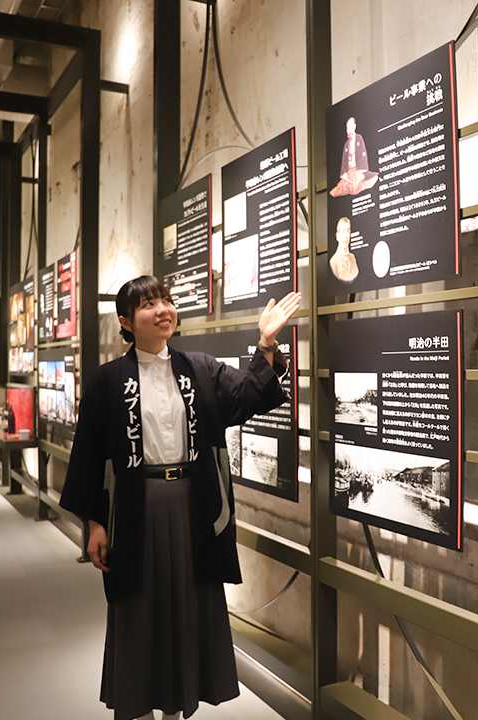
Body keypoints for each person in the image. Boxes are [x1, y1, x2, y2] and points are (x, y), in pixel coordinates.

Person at [60, 276, 301, 720]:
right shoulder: (108, 382)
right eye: (148, 304)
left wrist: (266, 343)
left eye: (166, 301)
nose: (162, 310)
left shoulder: (200, 369)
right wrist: (93, 523)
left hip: (193, 508)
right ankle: (138, 704)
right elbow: (89, 456)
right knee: (138, 607)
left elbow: (250, 395)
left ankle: (177, 705)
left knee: (188, 605)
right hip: (135, 509)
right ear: (126, 322)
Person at [329, 116, 379, 197]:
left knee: (356, 187)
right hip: (349, 171)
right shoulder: (346, 143)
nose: (349, 131)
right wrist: (344, 173)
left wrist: (361, 170)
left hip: (358, 169)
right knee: (338, 189)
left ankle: (359, 185)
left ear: (355, 127)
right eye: (347, 129)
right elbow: (345, 160)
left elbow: (363, 154)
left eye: (351, 128)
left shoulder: (359, 138)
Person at [328, 216, 360, 283]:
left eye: (348, 231)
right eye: (343, 231)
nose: (346, 236)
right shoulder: (333, 261)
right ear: (337, 236)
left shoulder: (352, 258)